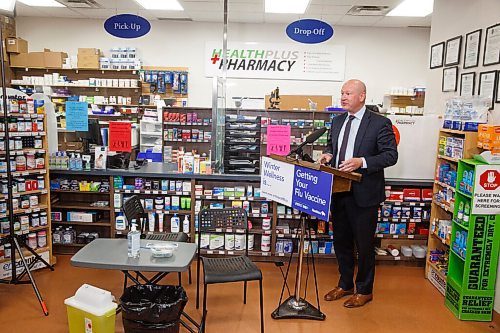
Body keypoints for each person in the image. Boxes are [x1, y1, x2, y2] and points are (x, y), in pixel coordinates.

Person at [318, 79, 398, 308]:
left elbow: (391, 156)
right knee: (341, 242)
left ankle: (365, 289)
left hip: (364, 194)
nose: (343, 97)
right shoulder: (338, 121)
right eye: (342, 93)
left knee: (364, 245)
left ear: (362, 96)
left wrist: (361, 162)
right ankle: (345, 284)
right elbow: (332, 147)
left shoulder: (380, 123)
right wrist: (327, 155)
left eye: (348, 93)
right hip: (339, 191)